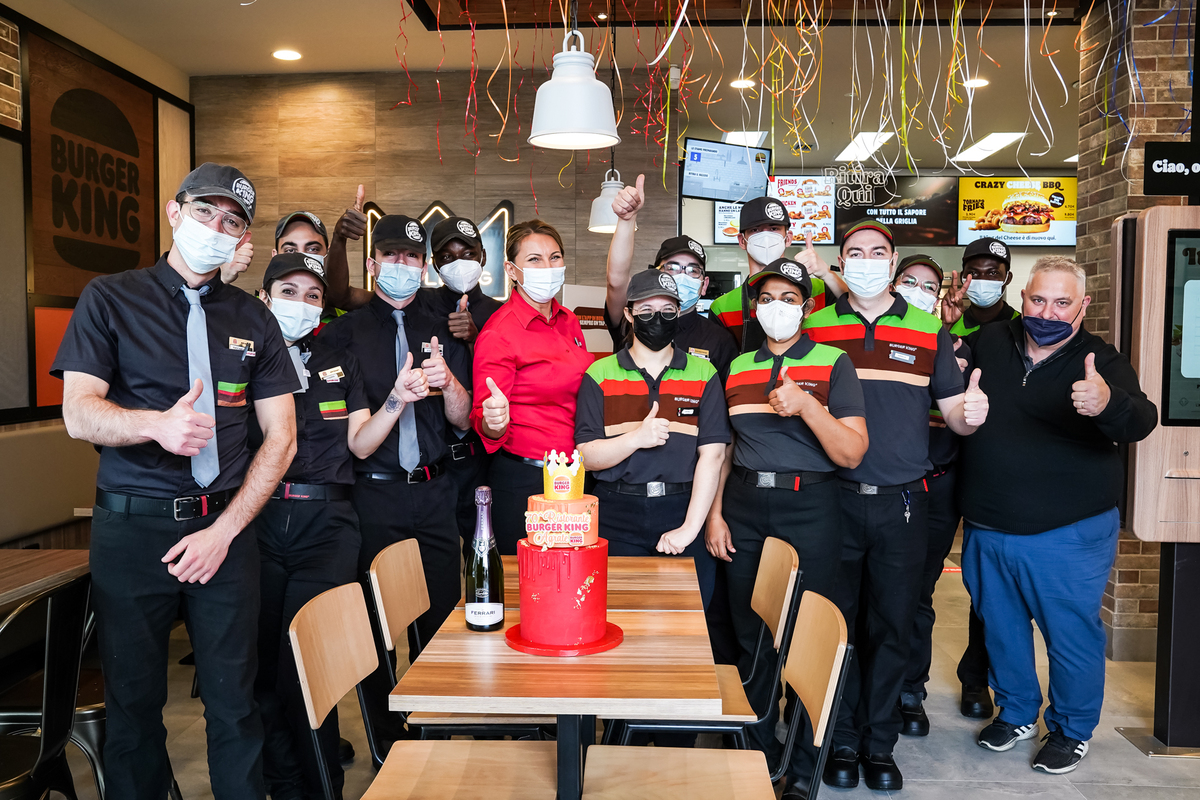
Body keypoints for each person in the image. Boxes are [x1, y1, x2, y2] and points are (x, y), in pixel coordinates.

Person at [53, 163, 298, 800]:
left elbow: (282, 437)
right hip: (131, 530)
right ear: (174, 212)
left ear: (243, 238)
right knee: (133, 709)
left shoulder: (254, 317)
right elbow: (79, 413)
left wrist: (224, 531)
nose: (216, 228)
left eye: (232, 221)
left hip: (225, 530)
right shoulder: (110, 297)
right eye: (205, 211)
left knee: (235, 704)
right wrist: (154, 425)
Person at [804, 219, 990, 792]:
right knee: (837, 625)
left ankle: (879, 742)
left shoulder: (928, 330)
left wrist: (971, 414)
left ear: (892, 262)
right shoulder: (815, 327)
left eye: (877, 252)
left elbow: (953, 412)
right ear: (842, 263)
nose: (866, 260)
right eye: (854, 252)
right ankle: (840, 737)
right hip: (831, 499)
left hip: (904, 503)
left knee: (892, 626)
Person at [960, 257, 1157, 774]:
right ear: (1023, 297)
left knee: (1069, 636)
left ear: (1082, 306)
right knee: (1001, 629)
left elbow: (1142, 419)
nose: (1047, 312)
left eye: (1062, 303)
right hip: (988, 523)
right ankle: (1017, 712)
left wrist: (1107, 402)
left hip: (1067, 530)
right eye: (1038, 300)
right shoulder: (991, 340)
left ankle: (1071, 728)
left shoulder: (1101, 360)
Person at [252, 253, 430, 799]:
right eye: (289, 292)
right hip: (258, 523)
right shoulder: (246, 357)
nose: (301, 304)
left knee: (308, 667)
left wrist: (397, 399)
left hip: (328, 524)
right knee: (262, 669)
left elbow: (360, 443)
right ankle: (286, 785)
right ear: (264, 298)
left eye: (312, 295)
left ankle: (322, 782)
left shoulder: (339, 359)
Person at [706, 258, 868, 798]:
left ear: (808, 306)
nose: (777, 307)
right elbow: (725, 448)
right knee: (752, 633)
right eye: (767, 298)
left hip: (811, 505)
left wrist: (807, 406)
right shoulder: (737, 366)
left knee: (807, 636)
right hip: (745, 505)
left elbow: (852, 452)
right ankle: (759, 753)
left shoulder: (833, 361)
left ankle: (803, 762)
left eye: (789, 298)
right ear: (755, 307)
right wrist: (715, 514)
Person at [320, 214, 472, 741]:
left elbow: (462, 419)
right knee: (376, 624)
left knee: (442, 620)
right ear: (372, 263)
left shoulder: (446, 325)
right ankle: (387, 741)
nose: (401, 264)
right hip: (373, 494)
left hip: (435, 491)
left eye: (411, 257)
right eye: (390, 255)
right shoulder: (344, 334)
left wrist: (448, 383)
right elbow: (347, 432)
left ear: (424, 267)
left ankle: (437, 732)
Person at [575, 269, 729, 605]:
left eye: (667, 310)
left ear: (679, 312)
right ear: (629, 314)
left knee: (688, 618)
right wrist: (636, 438)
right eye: (646, 310)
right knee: (617, 615)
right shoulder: (599, 374)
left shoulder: (704, 374)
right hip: (616, 513)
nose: (657, 318)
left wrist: (690, 529)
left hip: (684, 507)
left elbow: (713, 455)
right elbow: (586, 457)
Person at [888, 255, 979, 737]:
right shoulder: (883, 341)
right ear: (893, 285)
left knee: (919, 593)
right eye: (910, 282)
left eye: (929, 285)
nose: (919, 292)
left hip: (937, 484)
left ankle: (910, 690)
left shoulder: (960, 349)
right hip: (887, 483)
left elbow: (967, 416)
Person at [470, 219, 594, 553]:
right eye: (534, 259)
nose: (548, 267)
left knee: (575, 574)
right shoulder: (499, 333)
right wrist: (494, 421)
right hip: (527, 480)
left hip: (576, 476)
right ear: (511, 270)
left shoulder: (569, 320)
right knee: (529, 578)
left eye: (555, 257)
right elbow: (486, 420)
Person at [422, 216, 505, 562]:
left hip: (482, 459)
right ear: (434, 264)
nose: (459, 263)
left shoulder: (501, 314)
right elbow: (346, 296)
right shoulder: (420, 305)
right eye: (447, 256)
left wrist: (476, 338)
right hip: (432, 459)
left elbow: (503, 386)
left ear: (483, 256)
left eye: (468, 254)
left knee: (483, 556)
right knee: (433, 564)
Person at [603, 174, 738, 378]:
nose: (682, 276)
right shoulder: (634, 321)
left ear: (704, 285)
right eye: (672, 268)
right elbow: (616, 281)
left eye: (693, 270)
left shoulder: (719, 340)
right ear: (656, 274)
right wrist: (626, 220)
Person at [709, 196, 846, 353]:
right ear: (742, 241)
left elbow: (861, 311)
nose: (766, 237)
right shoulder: (722, 308)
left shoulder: (820, 291)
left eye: (774, 229)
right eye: (755, 230)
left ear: (788, 238)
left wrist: (827, 273)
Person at [941, 237, 1021, 336]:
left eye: (993, 273)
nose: (982, 279)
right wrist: (945, 328)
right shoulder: (951, 324)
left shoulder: (1022, 327)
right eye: (973, 273)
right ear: (962, 277)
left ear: (1008, 278)